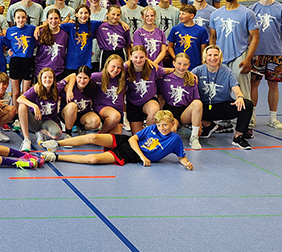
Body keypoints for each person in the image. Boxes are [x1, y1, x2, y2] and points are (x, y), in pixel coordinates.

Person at [39, 110, 193, 170]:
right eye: (159, 125)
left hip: (129, 155)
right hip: (126, 142)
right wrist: (143, 157)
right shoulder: (152, 129)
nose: (161, 128)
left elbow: (181, 156)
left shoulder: (175, 140)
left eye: (165, 125)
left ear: (172, 123)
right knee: (93, 137)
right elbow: (133, 140)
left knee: (93, 159)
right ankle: (56, 143)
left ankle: (55, 157)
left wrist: (186, 163)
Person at [248, 0, 282, 130]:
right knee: (253, 84)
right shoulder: (252, 9)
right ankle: (251, 117)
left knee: (273, 84)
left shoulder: (281, 9)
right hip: (256, 53)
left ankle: (273, 118)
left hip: (275, 53)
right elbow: (247, 33)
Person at [192, 45, 254, 150]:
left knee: (247, 104)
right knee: (187, 107)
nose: (213, 58)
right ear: (205, 57)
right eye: (210, 55)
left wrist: (239, 97)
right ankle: (208, 125)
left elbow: (236, 89)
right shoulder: (197, 71)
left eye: (216, 55)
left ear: (220, 57)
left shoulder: (227, 71)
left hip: (222, 106)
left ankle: (238, 137)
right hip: (204, 107)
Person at [209, 0, 260, 100]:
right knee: (220, 89)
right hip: (220, 56)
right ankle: (223, 113)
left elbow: (255, 37)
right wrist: (211, 56)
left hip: (239, 55)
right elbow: (213, 37)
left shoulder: (247, 13)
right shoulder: (215, 14)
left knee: (242, 90)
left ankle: (247, 112)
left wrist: (248, 59)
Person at [74, 54, 127, 134]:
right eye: (113, 66)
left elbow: (132, 62)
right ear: (107, 65)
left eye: (119, 67)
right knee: (115, 116)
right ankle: (101, 133)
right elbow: (76, 77)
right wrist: (69, 89)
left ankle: (103, 133)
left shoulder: (122, 79)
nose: (115, 70)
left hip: (117, 112)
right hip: (103, 108)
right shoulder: (97, 77)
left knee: (115, 139)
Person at [161, 53, 203, 149]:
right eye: (179, 64)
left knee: (198, 103)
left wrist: (199, 123)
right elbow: (160, 96)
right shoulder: (165, 78)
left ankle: (194, 137)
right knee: (172, 130)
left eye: (185, 64)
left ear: (189, 65)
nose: (182, 67)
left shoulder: (191, 79)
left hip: (185, 112)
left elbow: (196, 99)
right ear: (174, 63)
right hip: (170, 111)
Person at [18, 68, 65, 149]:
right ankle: (26, 139)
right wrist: (34, 106)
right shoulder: (36, 89)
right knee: (22, 106)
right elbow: (19, 99)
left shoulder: (57, 88)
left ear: (54, 79)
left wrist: (69, 89)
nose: (48, 79)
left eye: (50, 77)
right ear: (40, 79)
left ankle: (41, 132)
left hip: (47, 120)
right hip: (34, 120)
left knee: (56, 135)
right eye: (45, 77)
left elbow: (72, 76)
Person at [125, 46, 167, 134]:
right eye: (136, 57)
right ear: (130, 57)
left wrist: (186, 72)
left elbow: (167, 71)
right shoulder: (126, 69)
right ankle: (144, 128)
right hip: (133, 104)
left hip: (148, 101)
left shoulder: (152, 68)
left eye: (141, 57)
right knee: (138, 136)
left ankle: (150, 131)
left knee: (154, 111)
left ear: (146, 57)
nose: (138, 60)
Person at [6, 8, 36, 115]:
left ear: (26, 18)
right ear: (14, 19)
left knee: (25, 92)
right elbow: (7, 44)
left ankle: (24, 114)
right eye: (18, 17)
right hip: (15, 61)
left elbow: (40, 30)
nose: (20, 20)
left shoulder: (32, 28)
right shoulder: (10, 31)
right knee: (15, 91)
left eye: (23, 17)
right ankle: (15, 114)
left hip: (28, 61)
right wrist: (8, 50)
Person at [59, 4, 102, 76]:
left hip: (86, 63)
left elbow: (106, 21)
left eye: (86, 13)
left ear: (89, 14)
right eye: (81, 13)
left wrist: (121, 22)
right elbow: (56, 25)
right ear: (76, 14)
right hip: (71, 63)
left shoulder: (93, 24)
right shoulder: (70, 26)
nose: (83, 15)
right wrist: (65, 21)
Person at [60, 66, 101, 136]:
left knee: (95, 122)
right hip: (67, 114)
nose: (82, 81)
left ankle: (81, 128)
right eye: (80, 77)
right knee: (72, 106)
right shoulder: (68, 87)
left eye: (85, 78)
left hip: (83, 114)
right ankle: (68, 133)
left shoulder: (92, 87)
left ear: (90, 78)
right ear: (76, 77)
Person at [167, 4, 209, 70]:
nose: (180, 16)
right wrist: (175, 58)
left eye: (183, 14)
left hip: (195, 64)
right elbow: (170, 47)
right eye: (180, 14)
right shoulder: (175, 29)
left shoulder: (201, 30)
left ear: (192, 16)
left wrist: (203, 62)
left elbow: (203, 50)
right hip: (179, 65)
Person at [34, 9, 69, 79]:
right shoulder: (40, 32)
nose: (53, 21)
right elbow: (31, 48)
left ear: (59, 19)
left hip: (58, 71)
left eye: (56, 18)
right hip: (42, 71)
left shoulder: (64, 34)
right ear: (47, 20)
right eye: (51, 18)